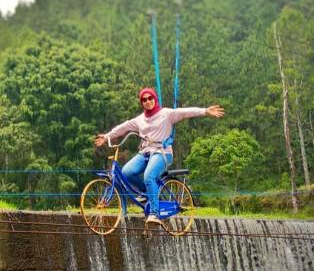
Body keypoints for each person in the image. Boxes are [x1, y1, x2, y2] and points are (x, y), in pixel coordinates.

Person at [94, 87, 224, 224]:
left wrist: (205, 111)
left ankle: (155, 213)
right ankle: (145, 193)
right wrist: (107, 136)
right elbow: (124, 127)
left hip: (162, 153)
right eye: (144, 100)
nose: (148, 101)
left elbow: (185, 112)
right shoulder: (140, 119)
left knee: (149, 175)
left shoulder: (166, 114)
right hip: (145, 152)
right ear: (142, 102)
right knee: (126, 172)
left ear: (155, 99)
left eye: (150, 98)